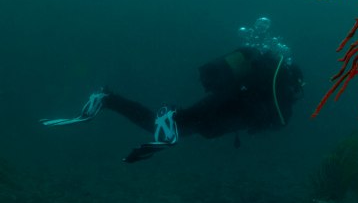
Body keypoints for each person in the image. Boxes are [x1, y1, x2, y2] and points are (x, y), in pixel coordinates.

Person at [42, 46, 305, 163]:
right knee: (166, 129)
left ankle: (113, 101)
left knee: (175, 128)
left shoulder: (268, 83)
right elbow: (281, 120)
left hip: (220, 107)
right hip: (220, 109)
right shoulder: (280, 92)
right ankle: (108, 99)